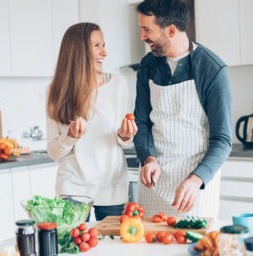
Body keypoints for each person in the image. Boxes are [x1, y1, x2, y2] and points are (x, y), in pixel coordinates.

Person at [133, 0, 232, 218]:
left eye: (146, 29)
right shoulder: (148, 65)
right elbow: (141, 122)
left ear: (170, 30)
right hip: (154, 185)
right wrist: (147, 157)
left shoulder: (212, 69)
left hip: (194, 187)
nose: (142, 36)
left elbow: (222, 140)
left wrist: (196, 180)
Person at [46, 22, 137, 221]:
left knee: (114, 249)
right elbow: (54, 152)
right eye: (97, 46)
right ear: (77, 50)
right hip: (72, 189)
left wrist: (125, 136)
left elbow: (127, 141)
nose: (104, 53)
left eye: (103, 45)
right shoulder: (57, 91)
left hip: (112, 186)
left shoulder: (118, 84)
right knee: (73, 250)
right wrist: (69, 137)